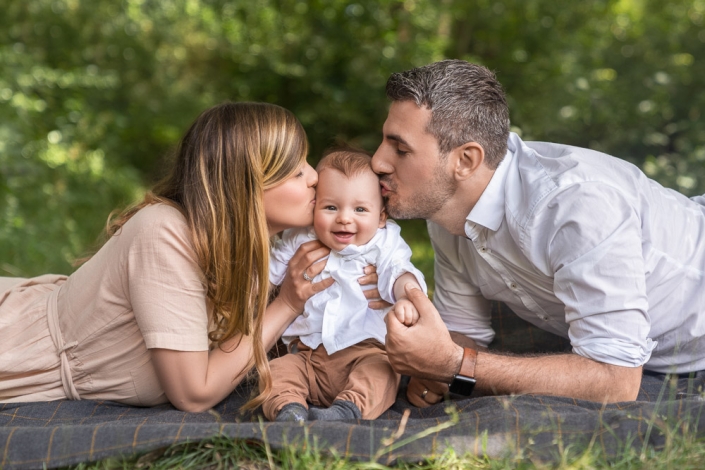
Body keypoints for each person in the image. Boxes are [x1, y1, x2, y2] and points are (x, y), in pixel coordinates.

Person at [0, 102, 387, 411]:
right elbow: (194, 393)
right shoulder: (164, 233)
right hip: (14, 348)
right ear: (247, 187)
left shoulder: (251, 249)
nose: (315, 177)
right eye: (295, 172)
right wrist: (286, 302)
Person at [371, 59, 705, 407]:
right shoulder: (447, 215)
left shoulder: (574, 205)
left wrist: (454, 365)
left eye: (401, 149)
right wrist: (430, 365)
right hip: (643, 354)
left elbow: (616, 381)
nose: (377, 162)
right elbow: (461, 334)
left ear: (466, 161)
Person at [261, 148, 427, 422]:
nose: (344, 218)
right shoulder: (300, 239)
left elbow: (399, 271)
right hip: (306, 354)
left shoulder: (383, 243)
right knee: (277, 371)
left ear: (382, 217)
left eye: (360, 209)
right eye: (331, 207)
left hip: (365, 352)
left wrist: (406, 296)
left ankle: (347, 412)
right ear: (315, 207)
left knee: (383, 372)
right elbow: (266, 274)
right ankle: (288, 409)